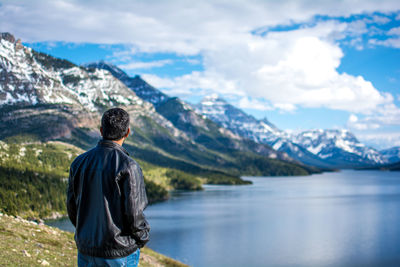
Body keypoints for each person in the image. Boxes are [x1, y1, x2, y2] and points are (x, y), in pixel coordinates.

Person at [67, 108, 150, 267]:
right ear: (127, 132)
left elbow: (72, 206)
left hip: (86, 249)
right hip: (118, 251)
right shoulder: (129, 166)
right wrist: (142, 237)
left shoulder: (79, 162)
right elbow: (134, 213)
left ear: (101, 130)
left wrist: (84, 232)